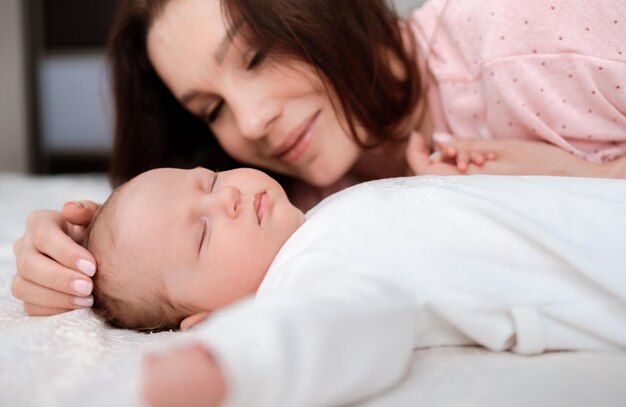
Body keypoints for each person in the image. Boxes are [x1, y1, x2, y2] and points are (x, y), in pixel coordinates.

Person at [11, 0, 626, 315]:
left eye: (255, 57)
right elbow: (158, 253)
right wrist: (78, 261)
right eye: (212, 110)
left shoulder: (530, 43)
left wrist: (584, 179)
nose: (251, 123)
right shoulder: (291, 205)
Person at [80, 166, 626, 407]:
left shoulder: (323, 217)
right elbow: (339, 328)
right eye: (202, 236)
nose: (229, 201)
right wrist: (230, 364)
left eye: (211, 180)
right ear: (207, 319)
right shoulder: (307, 276)